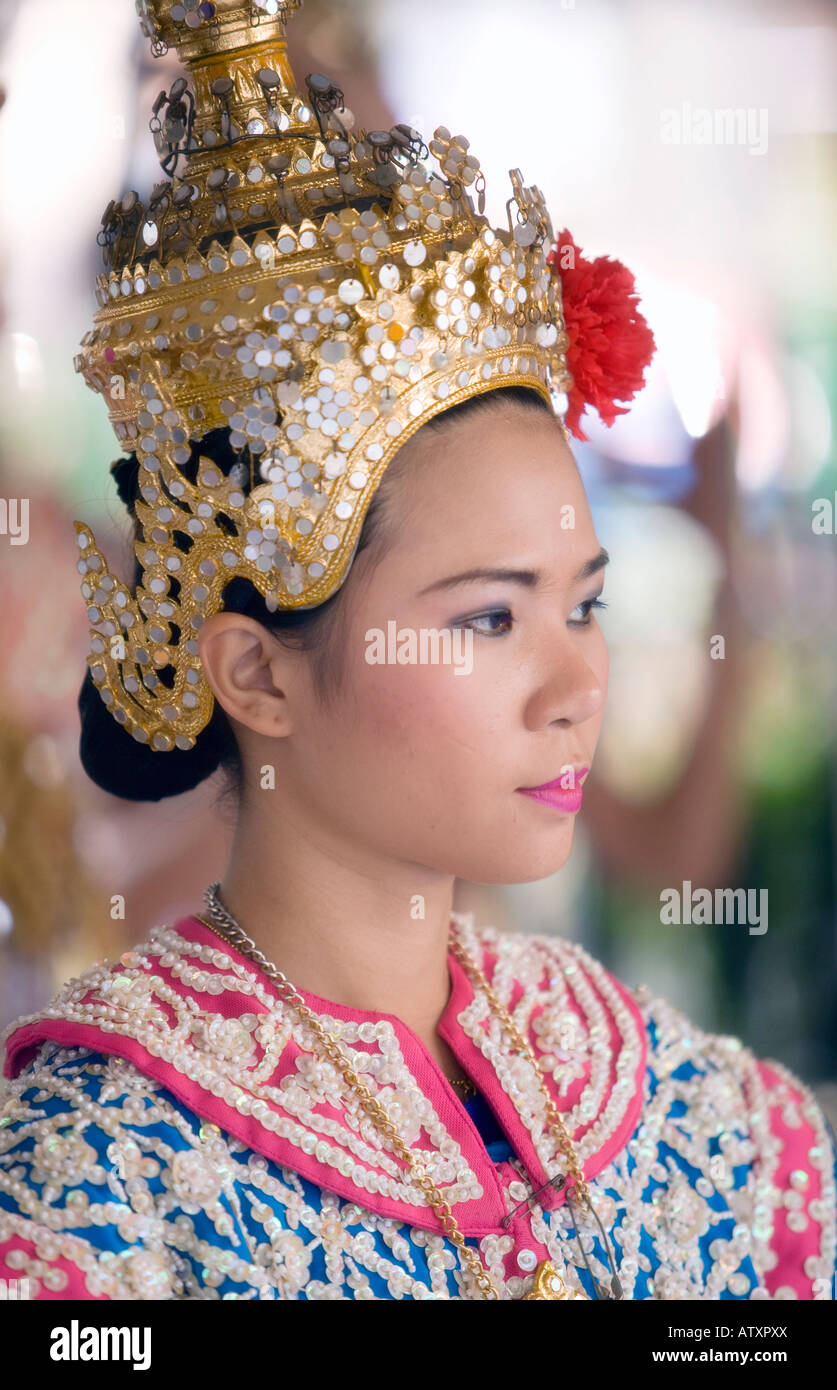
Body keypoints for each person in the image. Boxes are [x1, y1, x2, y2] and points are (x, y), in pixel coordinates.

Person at [0, 0, 834, 1302]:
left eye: (585, 605)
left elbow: (674, 849)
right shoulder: (91, 1204)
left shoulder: (722, 1125)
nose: (577, 687)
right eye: (489, 617)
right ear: (254, 671)